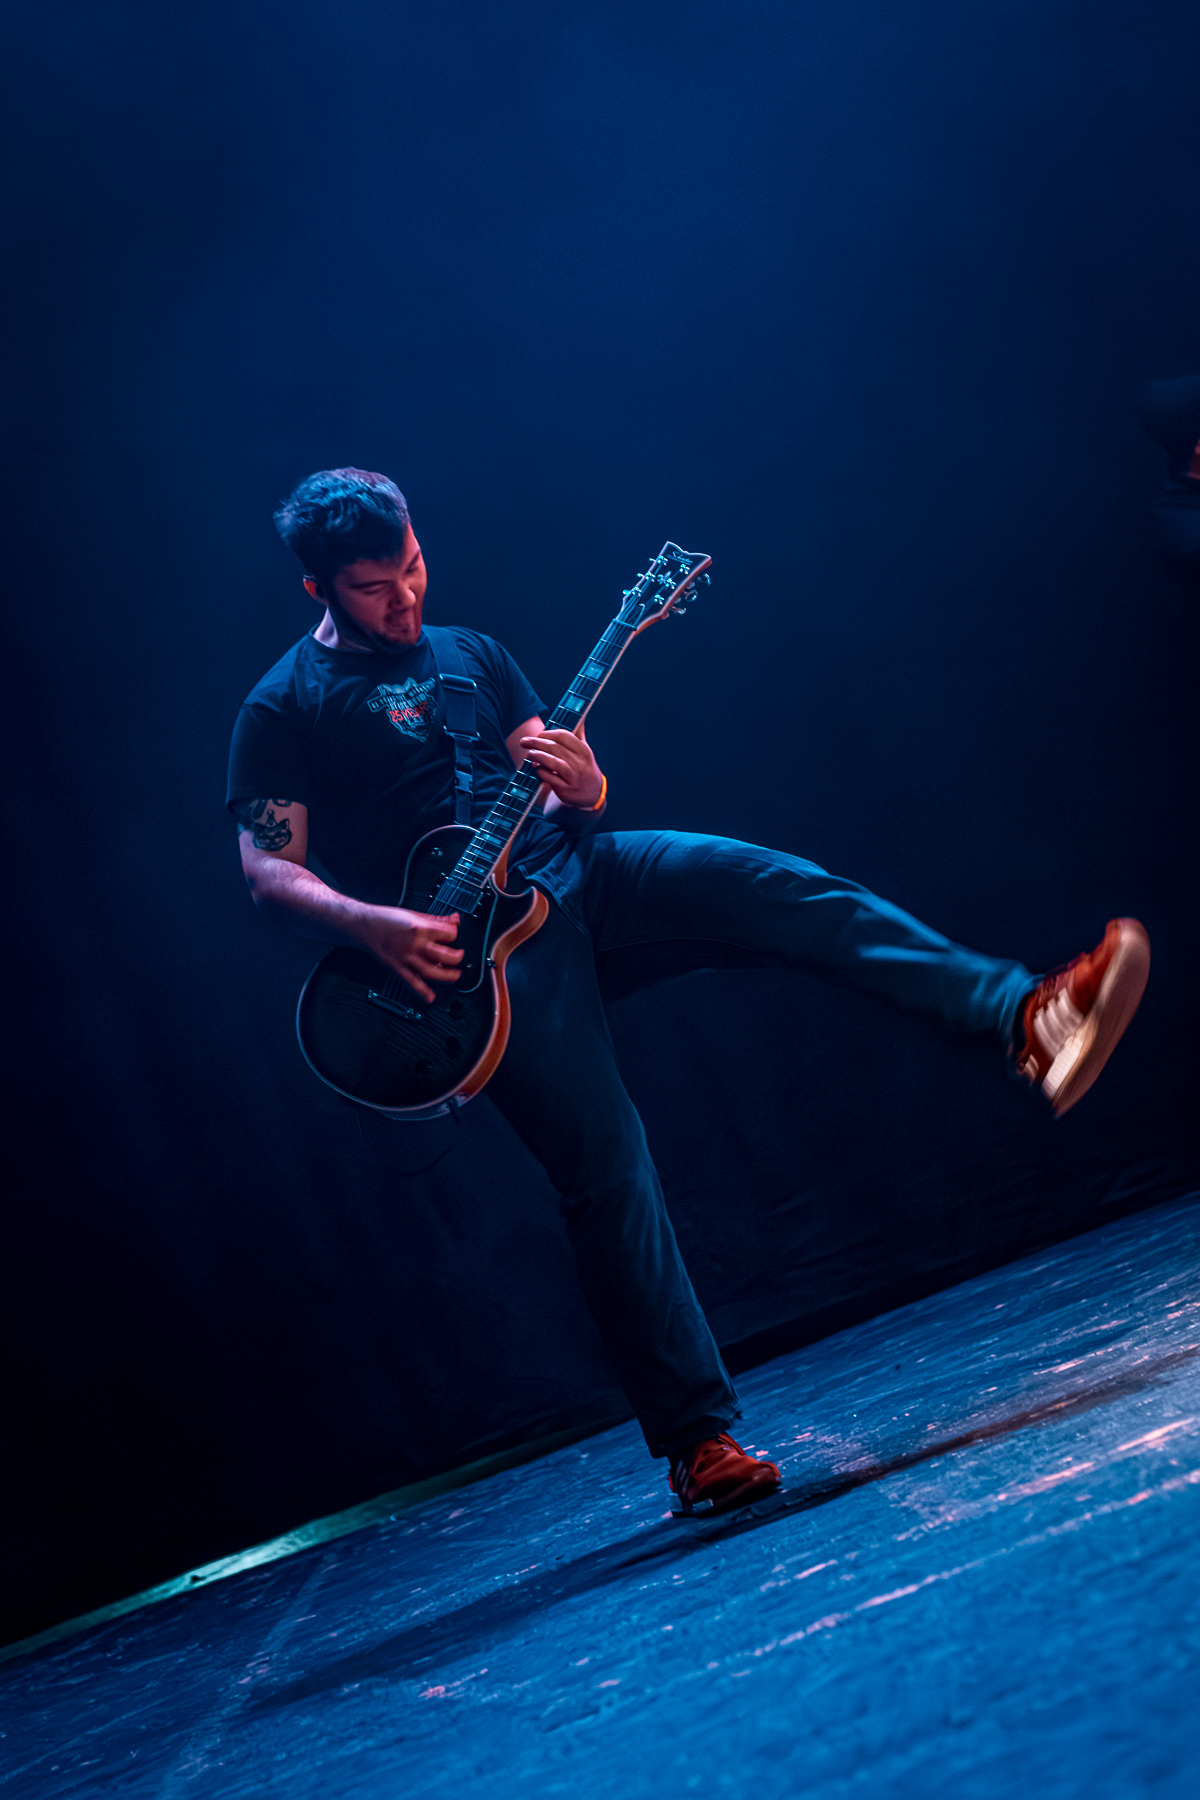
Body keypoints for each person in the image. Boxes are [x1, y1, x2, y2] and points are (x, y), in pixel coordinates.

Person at [227, 468, 1151, 1517]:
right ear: (318, 589)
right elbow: (269, 873)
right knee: (607, 1162)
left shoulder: (469, 654)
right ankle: (698, 1444)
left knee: (783, 888)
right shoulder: (283, 706)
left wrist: (586, 784)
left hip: (574, 877)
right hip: (470, 964)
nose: (405, 598)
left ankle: (1027, 1020)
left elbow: (562, 783)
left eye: (413, 567)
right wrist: (375, 925)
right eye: (374, 587)